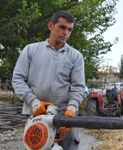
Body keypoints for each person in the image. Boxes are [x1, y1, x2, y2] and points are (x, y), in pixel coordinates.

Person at [12, 10, 86, 149]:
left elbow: (78, 87)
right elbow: (18, 79)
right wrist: (33, 101)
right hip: (37, 115)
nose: (66, 33)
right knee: (37, 145)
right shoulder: (30, 50)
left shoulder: (76, 56)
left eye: (69, 29)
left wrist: (72, 107)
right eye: (62, 27)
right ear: (51, 26)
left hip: (64, 117)